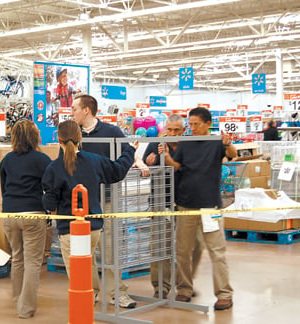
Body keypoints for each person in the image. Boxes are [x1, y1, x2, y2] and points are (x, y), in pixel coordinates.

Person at [42, 119, 138, 308]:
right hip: (93, 226)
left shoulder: (53, 168)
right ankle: (91, 298)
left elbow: (50, 202)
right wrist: (130, 151)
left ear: (58, 139)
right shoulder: (94, 161)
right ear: (80, 139)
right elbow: (117, 171)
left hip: (69, 230)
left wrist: (48, 201)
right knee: (88, 261)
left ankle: (85, 306)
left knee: (78, 277)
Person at [70, 94, 148, 308]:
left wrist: (139, 162)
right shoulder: (73, 135)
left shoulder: (111, 132)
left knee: (111, 248)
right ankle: (91, 291)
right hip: (83, 204)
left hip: (107, 200)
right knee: (86, 251)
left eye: (75, 108)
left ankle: (117, 293)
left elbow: (129, 151)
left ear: (86, 110)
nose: (72, 112)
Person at [160, 107, 236, 311]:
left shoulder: (216, 142)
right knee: (183, 251)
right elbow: (178, 166)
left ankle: (224, 294)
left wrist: (228, 143)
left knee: (217, 251)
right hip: (186, 204)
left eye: (196, 124)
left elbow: (232, 155)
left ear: (207, 124)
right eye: (190, 124)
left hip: (210, 206)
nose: (192, 128)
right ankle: (184, 289)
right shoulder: (186, 143)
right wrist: (168, 159)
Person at [142, 114, 205, 299]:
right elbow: (145, 166)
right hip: (161, 203)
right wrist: (149, 162)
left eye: (177, 130)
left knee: (196, 245)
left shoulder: (190, 146)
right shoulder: (155, 144)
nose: (172, 133)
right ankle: (160, 286)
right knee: (160, 245)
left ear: (184, 130)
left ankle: (184, 283)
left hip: (188, 203)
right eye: (169, 129)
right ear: (164, 129)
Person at [0, 120, 52, 319]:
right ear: (34, 136)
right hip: (33, 214)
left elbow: (3, 188)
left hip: (9, 214)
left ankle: (18, 300)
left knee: (17, 258)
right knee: (33, 262)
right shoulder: (42, 160)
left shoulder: (6, 160)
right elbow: (50, 187)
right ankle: (26, 308)